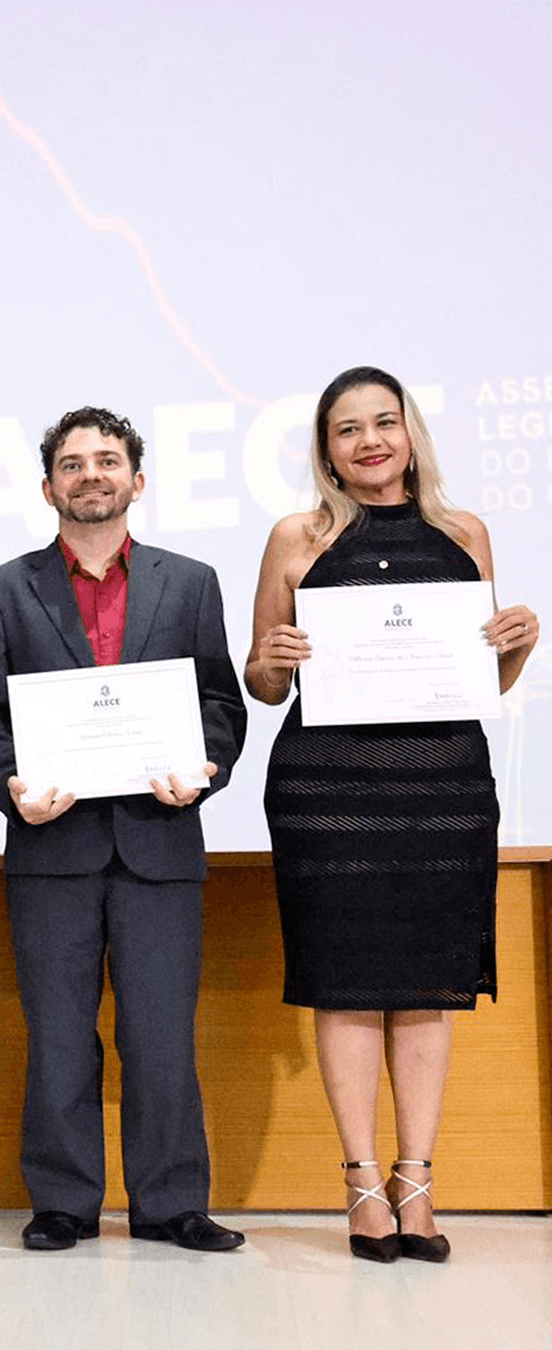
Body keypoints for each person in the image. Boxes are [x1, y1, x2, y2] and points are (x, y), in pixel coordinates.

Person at [245, 365, 537, 1263]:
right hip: (328, 791)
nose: (369, 440)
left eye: (384, 421)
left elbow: (482, 683)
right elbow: (259, 681)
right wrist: (278, 655)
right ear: (326, 449)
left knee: (424, 986)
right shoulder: (299, 536)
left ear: (411, 432)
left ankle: (419, 1186)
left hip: (443, 788)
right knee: (345, 980)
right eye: (347, 428)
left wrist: (518, 648)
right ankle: (363, 1184)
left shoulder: (466, 534)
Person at [0, 407, 248, 1254]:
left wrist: (206, 769)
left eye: (108, 460)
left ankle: (170, 1204)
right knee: (56, 1037)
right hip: (52, 845)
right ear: (49, 486)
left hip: (160, 841)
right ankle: (63, 1202)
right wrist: (9, 785)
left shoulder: (189, 582)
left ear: (137, 481)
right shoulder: (4, 589)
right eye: (74, 464)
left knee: (162, 1037)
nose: (92, 475)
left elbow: (220, 705)